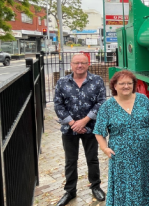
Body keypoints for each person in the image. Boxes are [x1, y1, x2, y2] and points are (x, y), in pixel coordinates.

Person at [94, 70, 149, 206]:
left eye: (129, 83)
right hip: (121, 156)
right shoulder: (108, 106)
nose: (126, 86)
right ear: (115, 86)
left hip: (144, 154)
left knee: (145, 182)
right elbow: (99, 131)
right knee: (124, 185)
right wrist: (105, 148)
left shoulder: (143, 100)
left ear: (133, 85)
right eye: (122, 83)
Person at [53, 53, 106, 206]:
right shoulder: (62, 82)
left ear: (88, 64)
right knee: (70, 161)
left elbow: (101, 102)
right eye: (76, 63)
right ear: (71, 65)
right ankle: (70, 191)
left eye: (83, 63)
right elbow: (58, 105)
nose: (80, 66)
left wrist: (84, 121)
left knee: (93, 159)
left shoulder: (97, 81)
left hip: (91, 128)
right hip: (69, 130)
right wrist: (73, 124)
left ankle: (95, 186)